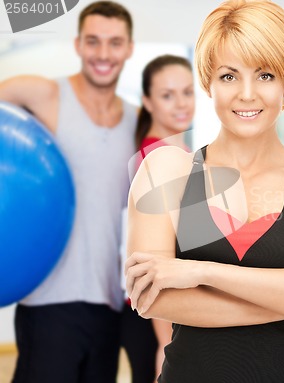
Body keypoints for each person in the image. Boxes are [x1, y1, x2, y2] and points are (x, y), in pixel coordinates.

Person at [125, 1, 284, 382]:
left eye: (266, 75)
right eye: (228, 76)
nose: (247, 94)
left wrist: (200, 272)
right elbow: (152, 296)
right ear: (208, 81)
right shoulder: (166, 169)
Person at [0, 2, 136, 382]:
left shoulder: (135, 119)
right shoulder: (46, 94)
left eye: (114, 43)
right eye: (93, 42)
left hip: (109, 304)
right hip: (48, 303)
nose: (103, 54)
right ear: (78, 45)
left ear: (129, 48)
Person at [120, 54, 195, 383]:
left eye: (187, 91)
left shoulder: (176, 152)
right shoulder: (156, 157)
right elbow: (154, 255)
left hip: (162, 303)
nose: (181, 103)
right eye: (167, 95)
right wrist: (166, 340)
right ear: (147, 102)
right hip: (156, 308)